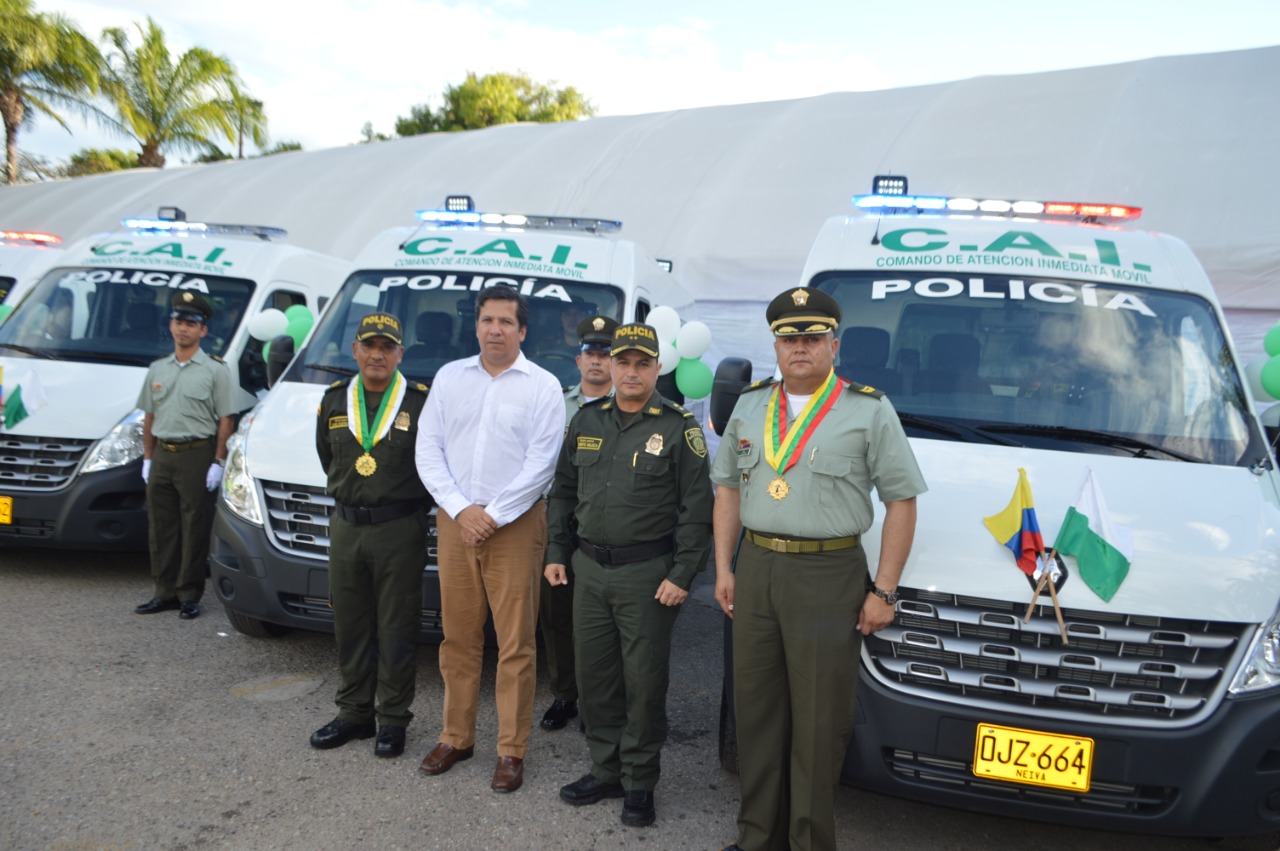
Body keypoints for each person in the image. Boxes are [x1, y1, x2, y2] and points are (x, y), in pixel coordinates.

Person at [711, 287, 927, 851]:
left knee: (816, 722)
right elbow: (728, 489)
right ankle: (758, 836)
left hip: (827, 574)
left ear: (834, 343)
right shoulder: (751, 405)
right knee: (755, 714)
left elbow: (901, 501)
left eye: (812, 337)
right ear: (776, 346)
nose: (799, 348)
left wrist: (884, 589)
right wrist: (724, 568)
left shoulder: (867, 409)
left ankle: (808, 841)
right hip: (757, 566)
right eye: (789, 338)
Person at [546, 323, 713, 828]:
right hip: (589, 569)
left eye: (643, 363)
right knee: (594, 675)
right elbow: (563, 491)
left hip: (648, 575)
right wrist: (557, 550)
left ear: (658, 367)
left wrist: (683, 573)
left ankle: (640, 781)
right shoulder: (588, 419)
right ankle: (605, 767)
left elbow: (696, 509)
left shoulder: (679, 427)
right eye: (624, 362)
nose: (632, 371)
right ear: (611, 366)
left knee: (642, 680)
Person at [414, 285, 565, 793]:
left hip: (516, 526)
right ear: (475, 326)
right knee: (457, 637)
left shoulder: (542, 387)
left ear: (522, 330)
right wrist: (462, 510)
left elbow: (541, 464)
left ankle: (510, 750)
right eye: (487, 320)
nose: (495, 329)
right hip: (457, 522)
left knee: (516, 643)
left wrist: (492, 515)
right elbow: (428, 450)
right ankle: (456, 737)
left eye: (506, 321)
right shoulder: (449, 377)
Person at [308, 313, 433, 759]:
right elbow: (328, 458)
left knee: (397, 626)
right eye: (369, 346)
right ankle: (354, 714)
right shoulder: (334, 400)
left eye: (387, 347)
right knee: (350, 624)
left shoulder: (420, 403)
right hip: (346, 528)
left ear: (400, 353)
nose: (377, 354)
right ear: (356, 350)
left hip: (399, 527)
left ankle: (394, 719)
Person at [134, 291, 236, 620]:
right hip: (163, 453)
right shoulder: (157, 369)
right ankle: (163, 592)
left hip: (197, 453)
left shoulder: (215, 370)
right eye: (179, 321)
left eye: (191, 323)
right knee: (161, 526)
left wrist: (218, 462)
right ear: (171, 325)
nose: (183, 329)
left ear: (203, 331)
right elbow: (149, 416)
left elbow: (225, 420)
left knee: (194, 525)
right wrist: (148, 459)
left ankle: (189, 594)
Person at [540, 314, 619, 732]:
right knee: (557, 617)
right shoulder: (557, 403)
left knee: (602, 622)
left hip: (606, 526)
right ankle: (564, 695)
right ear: (578, 359)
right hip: (560, 521)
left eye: (605, 353)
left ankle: (596, 701)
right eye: (590, 352)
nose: (597, 360)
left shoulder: (627, 405)